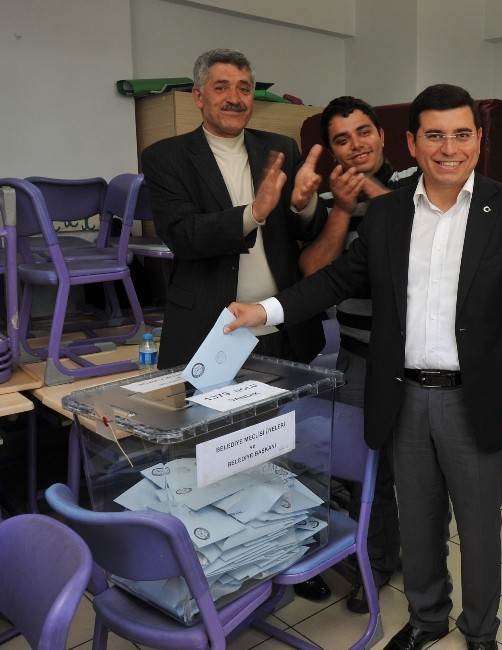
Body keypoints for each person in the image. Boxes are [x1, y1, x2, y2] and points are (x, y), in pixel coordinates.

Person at [224, 84, 502, 650]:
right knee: (418, 521)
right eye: (435, 135)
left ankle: (480, 631)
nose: (449, 148)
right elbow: (336, 279)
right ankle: (428, 619)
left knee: (479, 526)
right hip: (404, 395)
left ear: (479, 140)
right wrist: (265, 310)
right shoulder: (388, 213)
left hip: (476, 396)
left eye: (461, 135)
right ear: (412, 142)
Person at [141, 48, 330, 601]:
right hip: (210, 333)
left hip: (278, 327)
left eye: (244, 88)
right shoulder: (166, 157)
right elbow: (184, 236)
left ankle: (285, 552)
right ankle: (211, 568)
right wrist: (254, 213)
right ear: (199, 96)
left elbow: (304, 229)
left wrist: (303, 205)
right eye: (222, 87)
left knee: (277, 448)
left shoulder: (280, 149)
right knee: (205, 450)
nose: (234, 98)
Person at [300, 96, 417, 614]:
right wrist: (343, 209)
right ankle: (375, 561)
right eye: (342, 139)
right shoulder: (333, 202)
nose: (356, 145)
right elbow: (314, 274)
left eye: (364, 132)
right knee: (362, 469)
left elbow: (420, 237)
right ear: (333, 151)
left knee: (417, 468)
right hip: (355, 356)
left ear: (383, 136)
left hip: (412, 360)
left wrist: (368, 192)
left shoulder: (415, 182)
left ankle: (411, 560)